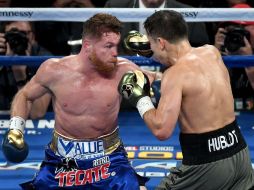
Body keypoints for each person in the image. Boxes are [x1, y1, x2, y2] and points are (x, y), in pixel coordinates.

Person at [2, 13, 161, 189]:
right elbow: (25, 95)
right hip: (62, 162)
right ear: (87, 46)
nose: (115, 53)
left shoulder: (124, 70)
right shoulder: (55, 70)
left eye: (116, 46)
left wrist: (154, 56)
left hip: (110, 159)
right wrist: (15, 130)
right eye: (108, 46)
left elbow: (162, 78)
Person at [118, 10, 254, 189]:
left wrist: (140, 97)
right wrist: (157, 76)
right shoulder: (211, 52)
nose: (150, 50)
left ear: (161, 42)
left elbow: (161, 129)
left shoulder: (174, 75)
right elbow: (196, 83)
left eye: (151, 44)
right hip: (240, 154)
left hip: (205, 164)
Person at [105, 0, 210, 55]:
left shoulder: (190, 14)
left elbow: (199, 55)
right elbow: (102, 47)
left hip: (172, 79)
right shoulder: (114, 8)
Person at [0, 21, 52, 118]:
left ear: (32, 37)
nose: (18, 38)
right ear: (3, 36)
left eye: (23, 33)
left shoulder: (45, 61)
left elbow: (36, 113)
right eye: (13, 33)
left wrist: (21, 77)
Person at [214, 3, 254, 110]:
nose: (236, 36)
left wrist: (249, 62)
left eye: (241, 29)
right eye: (231, 30)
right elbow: (209, 97)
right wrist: (215, 54)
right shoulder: (221, 57)